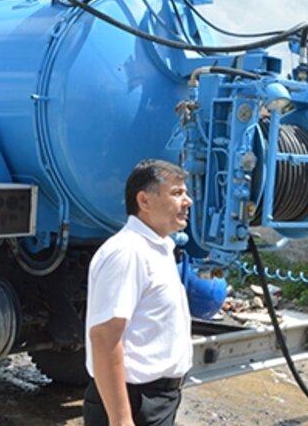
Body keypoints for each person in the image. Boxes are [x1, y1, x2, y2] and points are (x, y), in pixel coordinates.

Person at [84, 159, 193, 426]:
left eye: (185, 192)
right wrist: (121, 420)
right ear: (144, 201)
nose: (188, 201)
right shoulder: (128, 252)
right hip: (135, 403)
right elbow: (104, 337)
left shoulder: (157, 248)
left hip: (156, 400)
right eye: (177, 193)